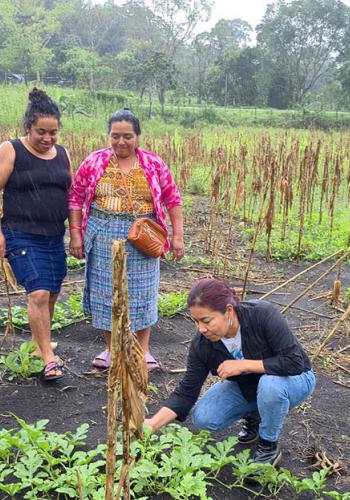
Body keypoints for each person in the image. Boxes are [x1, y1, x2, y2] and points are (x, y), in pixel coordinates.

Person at [144, 278, 315, 466]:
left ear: (229, 311)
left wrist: (243, 365)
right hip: (250, 386)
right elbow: (186, 391)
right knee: (204, 417)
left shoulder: (261, 315)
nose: (201, 328)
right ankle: (256, 416)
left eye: (206, 321)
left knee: (270, 386)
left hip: (294, 379)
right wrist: (153, 424)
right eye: (196, 321)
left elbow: (294, 362)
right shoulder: (203, 345)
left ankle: (268, 446)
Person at [68, 109, 184, 370]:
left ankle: (142, 351)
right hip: (102, 234)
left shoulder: (153, 163)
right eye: (115, 136)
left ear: (138, 136)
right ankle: (112, 349)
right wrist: (75, 233)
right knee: (105, 293)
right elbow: (75, 196)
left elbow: (172, 199)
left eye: (127, 136)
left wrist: (178, 236)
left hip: (142, 237)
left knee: (143, 292)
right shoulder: (94, 161)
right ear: (108, 136)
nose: (121, 142)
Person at [0, 88, 72, 381]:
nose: (47, 139)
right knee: (38, 292)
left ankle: (38, 345)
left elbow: (71, 196)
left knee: (52, 292)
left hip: (53, 235)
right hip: (21, 233)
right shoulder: (10, 150)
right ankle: (49, 357)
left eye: (53, 132)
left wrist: (76, 233)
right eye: (40, 132)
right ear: (27, 128)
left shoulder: (63, 154)